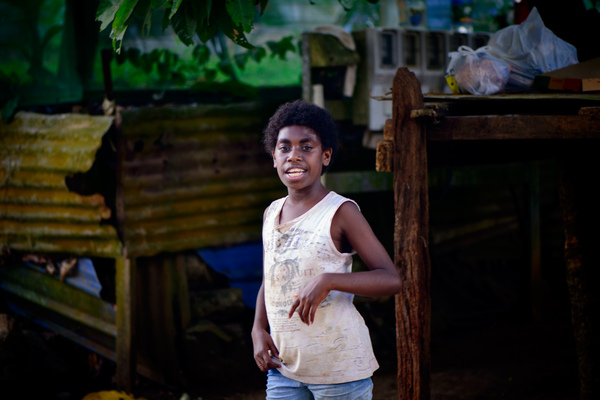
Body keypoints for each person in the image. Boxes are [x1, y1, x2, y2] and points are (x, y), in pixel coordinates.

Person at [252, 100, 402, 400]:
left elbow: (391, 279)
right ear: (273, 157)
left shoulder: (340, 212)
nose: (294, 156)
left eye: (306, 147)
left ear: (326, 156)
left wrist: (329, 280)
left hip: (338, 370)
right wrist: (258, 328)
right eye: (285, 148)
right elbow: (272, 278)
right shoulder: (271, 213)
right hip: (285, 368)